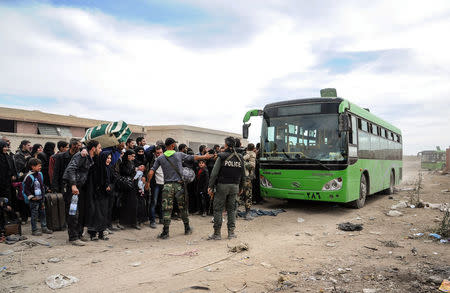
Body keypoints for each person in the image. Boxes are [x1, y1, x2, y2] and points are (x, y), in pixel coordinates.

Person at [145, 138, 213, 239]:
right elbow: (193, 157)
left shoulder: (160, 158)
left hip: (167, 186)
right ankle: (187, 228)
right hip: (179, 185)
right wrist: (205, 156)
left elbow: (151, 172)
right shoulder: (179, 155)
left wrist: (148, 183)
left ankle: (165, 232)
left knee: (167, 209)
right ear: (172, 146)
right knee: (183, 207)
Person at [62, 140, 101, 246]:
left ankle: (78, 235)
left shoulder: (88, 156)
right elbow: (71, 169)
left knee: (80, 212)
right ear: (93, 148)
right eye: (99, 147)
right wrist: (73, 185)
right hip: (72, 188)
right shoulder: (81, 155)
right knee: (73, 212)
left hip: (80, 188)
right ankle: (73, 237)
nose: (100, 150)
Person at [207, 137, 245, 240]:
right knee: (232, 210)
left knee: (218, 209)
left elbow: (214, 173)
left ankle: (217, 234)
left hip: (222, 186)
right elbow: (243, 174)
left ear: (227, 145)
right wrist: (241, 187)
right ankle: (231, 233)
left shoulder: (222, 156)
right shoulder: (240, 157)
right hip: (235, 186)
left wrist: (210, 186)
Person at [86, 152, 113, 241]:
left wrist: (110, 186)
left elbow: (112, 180)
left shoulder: (109, 168)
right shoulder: (95, 169)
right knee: (96, 214)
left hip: (105, 195)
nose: (109, 160)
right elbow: (93, 183)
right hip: (96, 195)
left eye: (110, 158)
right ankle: (93, 233)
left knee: (103, 214)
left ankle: (102, 232)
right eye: (107, 158)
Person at [24, 158, 53, 236]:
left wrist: (46, 189)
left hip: (41, 199)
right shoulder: (29, 177)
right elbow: (26, 189)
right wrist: (31, 197)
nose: (40, 167)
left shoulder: (40, 174)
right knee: (34, 215)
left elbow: (41, 185)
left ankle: (44, 227)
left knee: (43, 213)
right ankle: (34, 230)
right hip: (34, 200)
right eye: (38, 166)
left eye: (40, 166)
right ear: (32, 167)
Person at [119, 149, 140, 229]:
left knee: (134, 204)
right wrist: (134, 170)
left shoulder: (132, 163)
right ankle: (124, 222)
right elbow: (126, 172)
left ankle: (133, 222)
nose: (134, 158)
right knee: (125, 204)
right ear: (128, 156)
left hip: (133, 186)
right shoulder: (123, 163)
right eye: (132, 156)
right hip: (126, 186)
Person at [149, 146, 164, 228]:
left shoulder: (165, 160)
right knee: (153, 202)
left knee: (162, 202)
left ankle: (161, 218)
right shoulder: (153, 161)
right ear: (155, 153)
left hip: (163, 183)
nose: (159, 154)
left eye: (161, 152)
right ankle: (152, 221)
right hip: (155, 185)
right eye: (157, 153)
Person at [241, 143, 257, 220]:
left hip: (241, 177)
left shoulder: (244, 154)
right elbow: (252, 166)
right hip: (247, 178)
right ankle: (247, 213)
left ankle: (234, 214)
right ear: (253, 148)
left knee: (240, 195)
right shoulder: (252, 154)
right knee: (248, 195)